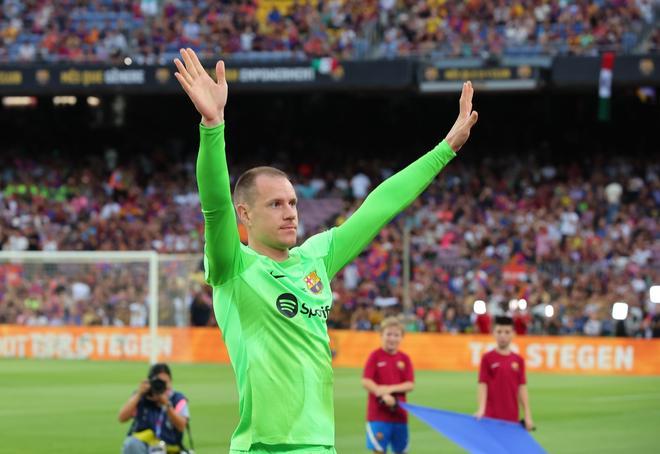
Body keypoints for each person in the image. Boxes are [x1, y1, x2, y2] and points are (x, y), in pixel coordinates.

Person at [173, 47, 478, 453]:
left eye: (293, 203)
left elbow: (379, 206)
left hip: (320, 445)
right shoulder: (234, 266)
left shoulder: (315, 257)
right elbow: (214, 204)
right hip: (262, 446)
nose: (290, 214)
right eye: (276, 204)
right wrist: (213, 126)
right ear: (244, 213)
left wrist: (446, 148)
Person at [362, 317, 415, 454]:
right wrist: (381, 393)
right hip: (378, 415)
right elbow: (366, 380)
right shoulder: (375, 356)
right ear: (381, 335)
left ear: (401, 337)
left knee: (401, 451)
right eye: (389, 334)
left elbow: (410, 384)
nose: (392, 338)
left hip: (400, 416)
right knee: (379, 451)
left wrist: (389, 390)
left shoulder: (405, 358)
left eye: (396, 335)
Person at [476, 316, 534, 430]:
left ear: (513, 334)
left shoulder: (518, 360)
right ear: (493, 333)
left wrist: (527, 415)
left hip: (512, 418)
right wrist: (481, 409)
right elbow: (483, 384)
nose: (503, 335)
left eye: (507, 332)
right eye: (499, 332)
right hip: (490, 417)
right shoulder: (487, 358)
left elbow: (521, 387)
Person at [118, 363, 190, 453]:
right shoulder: (142, 397)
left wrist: (167, 405)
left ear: (171, 381)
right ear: (150, 382)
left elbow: (181, 426)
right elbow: (122, 418)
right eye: (159, 382)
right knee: (131, 444)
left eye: (166, 382)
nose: (164, 386)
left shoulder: (177, 399)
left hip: (169, 447)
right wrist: (139, 394)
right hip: (144, 445)